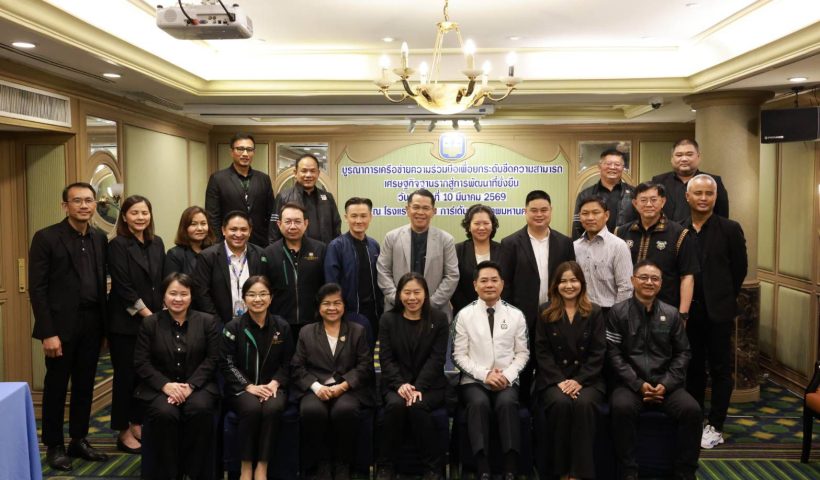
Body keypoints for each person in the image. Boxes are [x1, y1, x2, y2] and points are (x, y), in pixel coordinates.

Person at [29, 182, 109, 470]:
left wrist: (104, 329)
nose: (84, 205)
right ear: (65, 206)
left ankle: (79, 439)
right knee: (56, 387)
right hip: (60, 327)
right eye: (77, 201)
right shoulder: (46, 238)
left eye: (89, 200)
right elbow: (37, 290)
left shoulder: (100, 238)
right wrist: (48, 332)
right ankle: (54, 445)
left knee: (85, 385)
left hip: (93, 322)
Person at [606, 260, 701, 480]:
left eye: (655, 278)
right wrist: (638, 384)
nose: (649, 282)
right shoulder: (617, 313)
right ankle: (628, 471)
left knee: (692, 410)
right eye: (643, 277)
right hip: (630, 385)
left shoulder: (672, 314)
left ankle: (685, 472)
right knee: (621, 408)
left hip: (665, 384)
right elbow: (613, 355)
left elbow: (683, 353)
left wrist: (666, 384)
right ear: (633, 281)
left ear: (660, 283)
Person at [133, 273, 221, 480]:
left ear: (191, 296)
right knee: (165, 413)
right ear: (164, 296)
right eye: (173, 293)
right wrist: (166, 386)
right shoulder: (150, 323)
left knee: (199, 409)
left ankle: (196, 472)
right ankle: (169, 473)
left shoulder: (207, 322)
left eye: (184, 294)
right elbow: (141, 362)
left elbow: (213, 359)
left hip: (198, 387)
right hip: (160, 388)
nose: (178, 299)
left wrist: (190, 386)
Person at [684, 174, 748, 449]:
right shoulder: (678, 228)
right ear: (687, 197)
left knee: (721, 370)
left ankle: (716, 425)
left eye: (708, 193)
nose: (703, 198)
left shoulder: (730, 229)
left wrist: (721, 297)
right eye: (698, 193)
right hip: (687, 313)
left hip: (718, 312)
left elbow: (739, 270)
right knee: (692, 368)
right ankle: (694, 419)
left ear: (715, 197)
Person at [452, 261, 529, 480]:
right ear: (475, 285)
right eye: (484, 280)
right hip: (473, 381)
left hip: (507, 379)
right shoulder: (464, 315)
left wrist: (506, 375)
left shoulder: (516, 315)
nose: (489, 285)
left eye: (494, 280)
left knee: (507, 403)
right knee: (478, 404)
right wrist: (485, 375)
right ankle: (482, 465)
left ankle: (510, 467)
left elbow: (523, 353)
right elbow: (458, 355)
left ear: (502, 284)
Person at [291, 283, 375, 480]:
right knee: (312, 411)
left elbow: (365, 366)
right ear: (319, 307)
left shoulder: (357, 331)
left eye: (337, 303)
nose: (332, 308)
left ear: (344, 305)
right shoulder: (306, 332)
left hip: (348, 388)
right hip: (316, 388)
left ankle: (343, 463)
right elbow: (297, 367)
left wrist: (343, 386)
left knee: (345, 410)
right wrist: (316, 387)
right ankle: (321, 463)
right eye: (326, 303)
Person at [499, 190, 575, 402]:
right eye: (534, 210)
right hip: (522, 317)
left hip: (556, 314)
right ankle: (524, 408)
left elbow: (571, 280)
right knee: (524, 366)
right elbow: (505, 284)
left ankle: (546, 409)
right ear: (525, 212)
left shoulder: (565, 242)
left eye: (544, 210)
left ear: (551, 211)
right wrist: (510, 316)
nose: (539, 214)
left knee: (552, 366)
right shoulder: (510, 243)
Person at [534, 261, 606, 480]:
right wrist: (560, 380)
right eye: (563, 281)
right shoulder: (545, 311)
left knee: (584, 404)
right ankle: (560, 471)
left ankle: (578, 473)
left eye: (573, 280)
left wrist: (579, 380)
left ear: (581, 283)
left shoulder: (594, 311)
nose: (568, 286)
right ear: (556, 285)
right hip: (554, 379)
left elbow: (598, 352)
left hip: (588, 379)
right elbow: (542, 351)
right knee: (561, 404)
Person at [376, 273, 449, 480]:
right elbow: (386, 358)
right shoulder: (388, 320)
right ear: (399, 295)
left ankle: (433, 468)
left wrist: (418, 387)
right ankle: (386, 466)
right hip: (396, 384)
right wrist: (401, 384)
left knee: (417, 405)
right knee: (396, 405)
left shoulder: (439, 319)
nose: (412, 298)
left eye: (417, 292)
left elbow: (437, 359)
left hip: (430, 385)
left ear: (425, 294)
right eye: (407, 292)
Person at [107, 195, 166, 454]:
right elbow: (123, 288)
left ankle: (137, 423)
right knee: (125, 377)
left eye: (145, 213)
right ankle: (122, 431)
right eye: (134, 213)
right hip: (126, 324)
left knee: (145, 375)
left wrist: (160, 312)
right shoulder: (117, 245)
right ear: (124, 217)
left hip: (152, 320)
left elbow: (162, 281)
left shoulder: (157, 243)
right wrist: (148, 314)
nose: (140, 217)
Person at [221, 276, 295, 480]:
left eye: (263, 294)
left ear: (271, 298)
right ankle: (246, 466)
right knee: (251, 408)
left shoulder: (282, 326)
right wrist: (248, 386)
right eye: (252, 294)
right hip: (241, 388)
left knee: (273, 408)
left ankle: (262, 466)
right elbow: (226, 363)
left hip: (273, 386)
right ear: (244, 298)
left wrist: (275, 383)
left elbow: (289, 362)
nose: (258, 299)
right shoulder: (233, 327)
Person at [615, 182, 699, 320]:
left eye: (653, 200)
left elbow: (687, 277)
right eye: (643, 200)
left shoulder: (679, 233)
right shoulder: (621, 232)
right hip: (627, 311)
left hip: (666, 312)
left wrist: (683, 315)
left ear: (663, 202)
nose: (649, 204)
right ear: (635, 203)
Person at [377, 188, 459, 316]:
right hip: (397, 311)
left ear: (433, 211)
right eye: (416, 207)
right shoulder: (391, 237)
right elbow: (383, 272)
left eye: (426, 208)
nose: (420, 212)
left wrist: (430, 304)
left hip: (435, 311)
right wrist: (399, 300)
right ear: (407, 209)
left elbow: (451, 276)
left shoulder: (446, 240)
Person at [192, 210, 268, 324]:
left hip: (253, 323)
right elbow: (202, 294)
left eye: (243, 229)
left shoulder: (260, 255)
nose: (238, 234)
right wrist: (217, 324)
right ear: (223, 230)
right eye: (233, 229)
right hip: (219, 324)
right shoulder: (208, 257)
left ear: (250, 231)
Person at [324, 197, 383, 339]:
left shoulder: (374, 245)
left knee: (370, 349)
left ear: (370, 217)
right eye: (354, 216)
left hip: (373, 313)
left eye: (363, 216)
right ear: (346, 218)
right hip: (348, 314)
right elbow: (331, 284)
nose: (359, 220)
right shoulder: (336, 246)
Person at [265, 202, 327, 337]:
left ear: (306, 223)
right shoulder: (269, 253)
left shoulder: (320, 249)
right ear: (279, 224)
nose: (292, 226)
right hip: (279, 323)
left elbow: (326, 285)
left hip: (314, 322)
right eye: (288, 222)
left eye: (297, 221)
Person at [205, 132, 275, 247]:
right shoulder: (218, 179)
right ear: (232, 152)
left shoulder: (263, 179)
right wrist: (218, 244)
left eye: (249, 149)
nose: (245, 154)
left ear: (254, 152)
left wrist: (270, 241)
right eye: (240, 149)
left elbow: (271, 213)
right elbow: (213, 216)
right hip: (228, 241)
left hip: (260, 243)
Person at [573, 196, 633, 310]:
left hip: (608, 311)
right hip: (580, 310)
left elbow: (626, 287)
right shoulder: (575, 246)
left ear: (606, 215)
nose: (590, 218)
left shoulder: (618, 246)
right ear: (580, 217)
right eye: (585, 213)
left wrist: (616, 314)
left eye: (595, 213)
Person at [651, 139, 729, 224]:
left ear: (698, 157)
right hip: (666, 231)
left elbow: (722, 216)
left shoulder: (713, 181)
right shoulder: (658, 181)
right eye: (679, 155)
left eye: (689, 154)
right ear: (672, 159)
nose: (684, 159)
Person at [272, 154, 341, 244]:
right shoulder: (283, 197)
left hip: (325, 251)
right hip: (294, 251)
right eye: (304, 171)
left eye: (313, 171)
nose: (308, 175)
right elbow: (274, 232)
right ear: (295, 173)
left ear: (318, 173)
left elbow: (336, 229)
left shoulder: (328, 197)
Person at [572, 148, 637, 239]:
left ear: (623, 167)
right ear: (599, 166)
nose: (612, 167)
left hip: (627, 243)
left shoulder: (634, 193)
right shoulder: (585, 194)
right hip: (594, 243)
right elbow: (577, 226)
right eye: (608, 164)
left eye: (617, 164)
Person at [452, 204, 503, 314]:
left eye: (486, 223)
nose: (482, 228)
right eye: (477, 223)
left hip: (499, 311)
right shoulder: (457, 250)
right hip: (465, 312)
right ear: (469, 226)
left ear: (492, 226)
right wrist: (469, 310)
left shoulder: (503, 250)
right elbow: (454, 284)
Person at [165, 205, 215, 276]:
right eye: (193, 224)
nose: (200, 228)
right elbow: (173, 281)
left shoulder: (215, 251)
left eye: (203, 223)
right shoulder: (174, 254)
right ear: (184, 227)